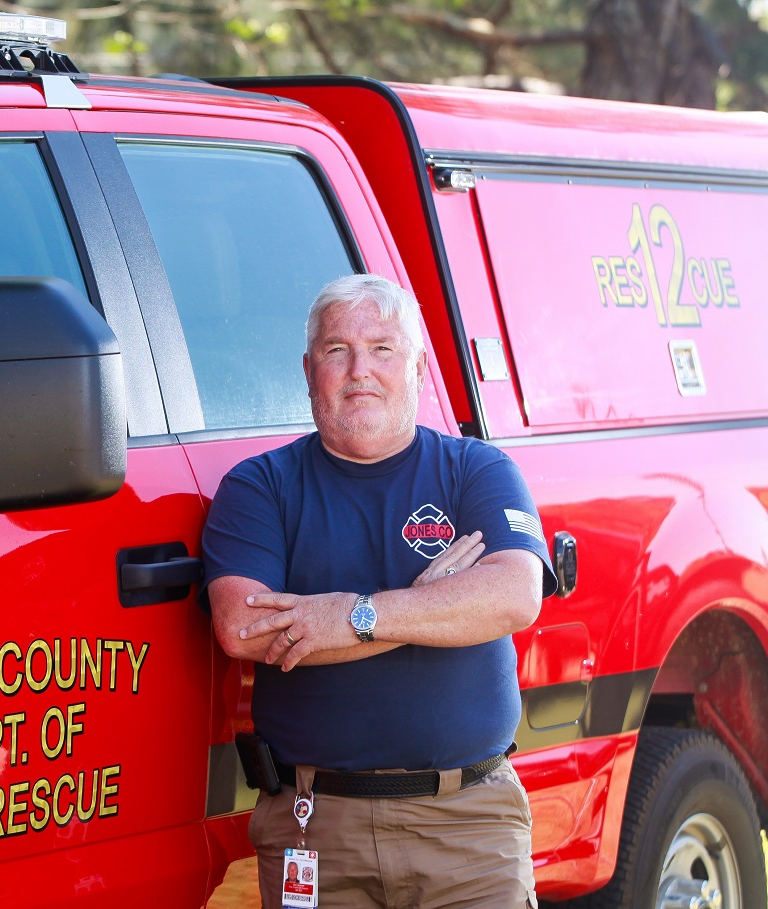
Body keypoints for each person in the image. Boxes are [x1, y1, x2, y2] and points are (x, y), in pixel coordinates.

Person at [203, 273, 558, 909]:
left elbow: (513, 594)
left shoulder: (477, 470)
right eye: (337, 350)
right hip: (314, 830)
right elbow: (244, 629)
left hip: (468, 828)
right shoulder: (259, 488)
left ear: (418, 366)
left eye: (383, 349)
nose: (359, 369)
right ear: (309, 370)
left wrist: (357, 615)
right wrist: (433, 606)